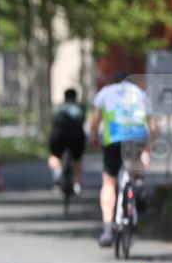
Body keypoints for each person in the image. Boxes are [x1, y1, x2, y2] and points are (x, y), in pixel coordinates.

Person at [89, 73, 156, 247]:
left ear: (114, 82)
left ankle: (107, 230)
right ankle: (139, 185)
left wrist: (93, 138)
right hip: (137, 139)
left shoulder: (106, 92)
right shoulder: (140, 94)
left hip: (114, 140)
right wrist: (149, 146)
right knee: (138, 163)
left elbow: (95, 121)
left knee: (109, 182)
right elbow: (153, 126)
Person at [48, 88, 86, 194]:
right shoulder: (80, 107)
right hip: (77, 136)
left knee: (54, 156)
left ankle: (57, 175)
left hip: (59, 136)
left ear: (64, 97)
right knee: (77, 160)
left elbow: (54, 122)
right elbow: (82, 121)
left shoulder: (58, 108)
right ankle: (77, 184)